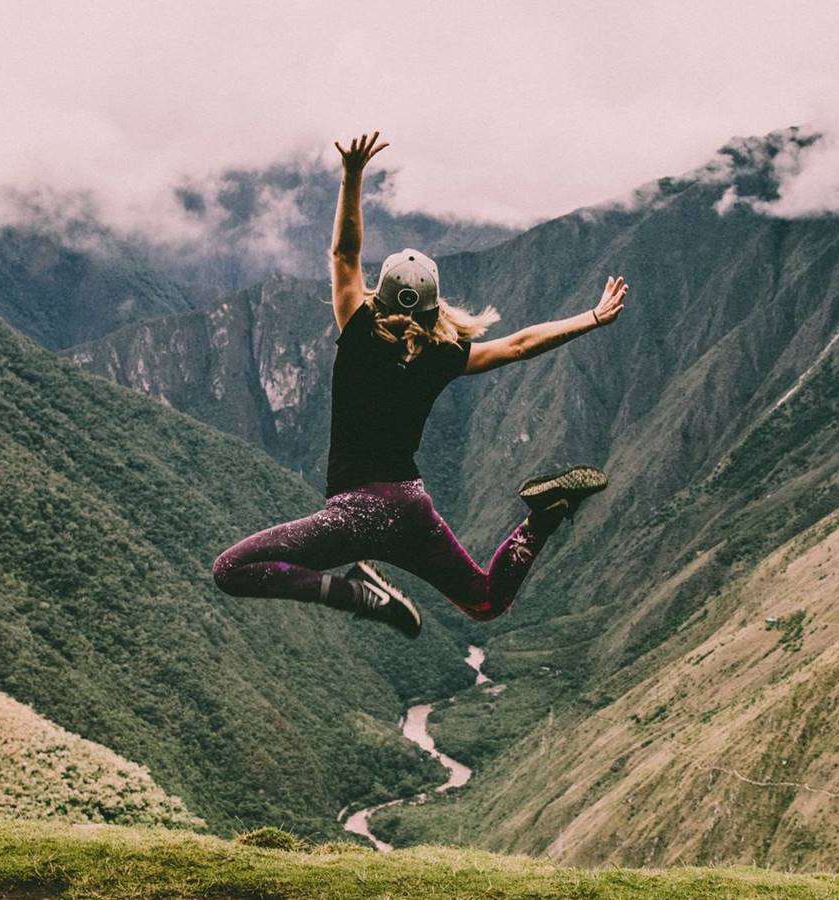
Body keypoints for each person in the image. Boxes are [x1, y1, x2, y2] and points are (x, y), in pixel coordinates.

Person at [213, 131, 629, 639]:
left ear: (378, 296)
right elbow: (519, 345)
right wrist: (590, 317)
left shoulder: (360, 331)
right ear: (435, 306)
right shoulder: (443, 355)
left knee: (231, 571)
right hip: (411, 510)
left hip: (355, 514)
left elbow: (345, 253)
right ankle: (541, 518)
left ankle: (355, 593)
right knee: (485, 600)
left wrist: (352, 175)